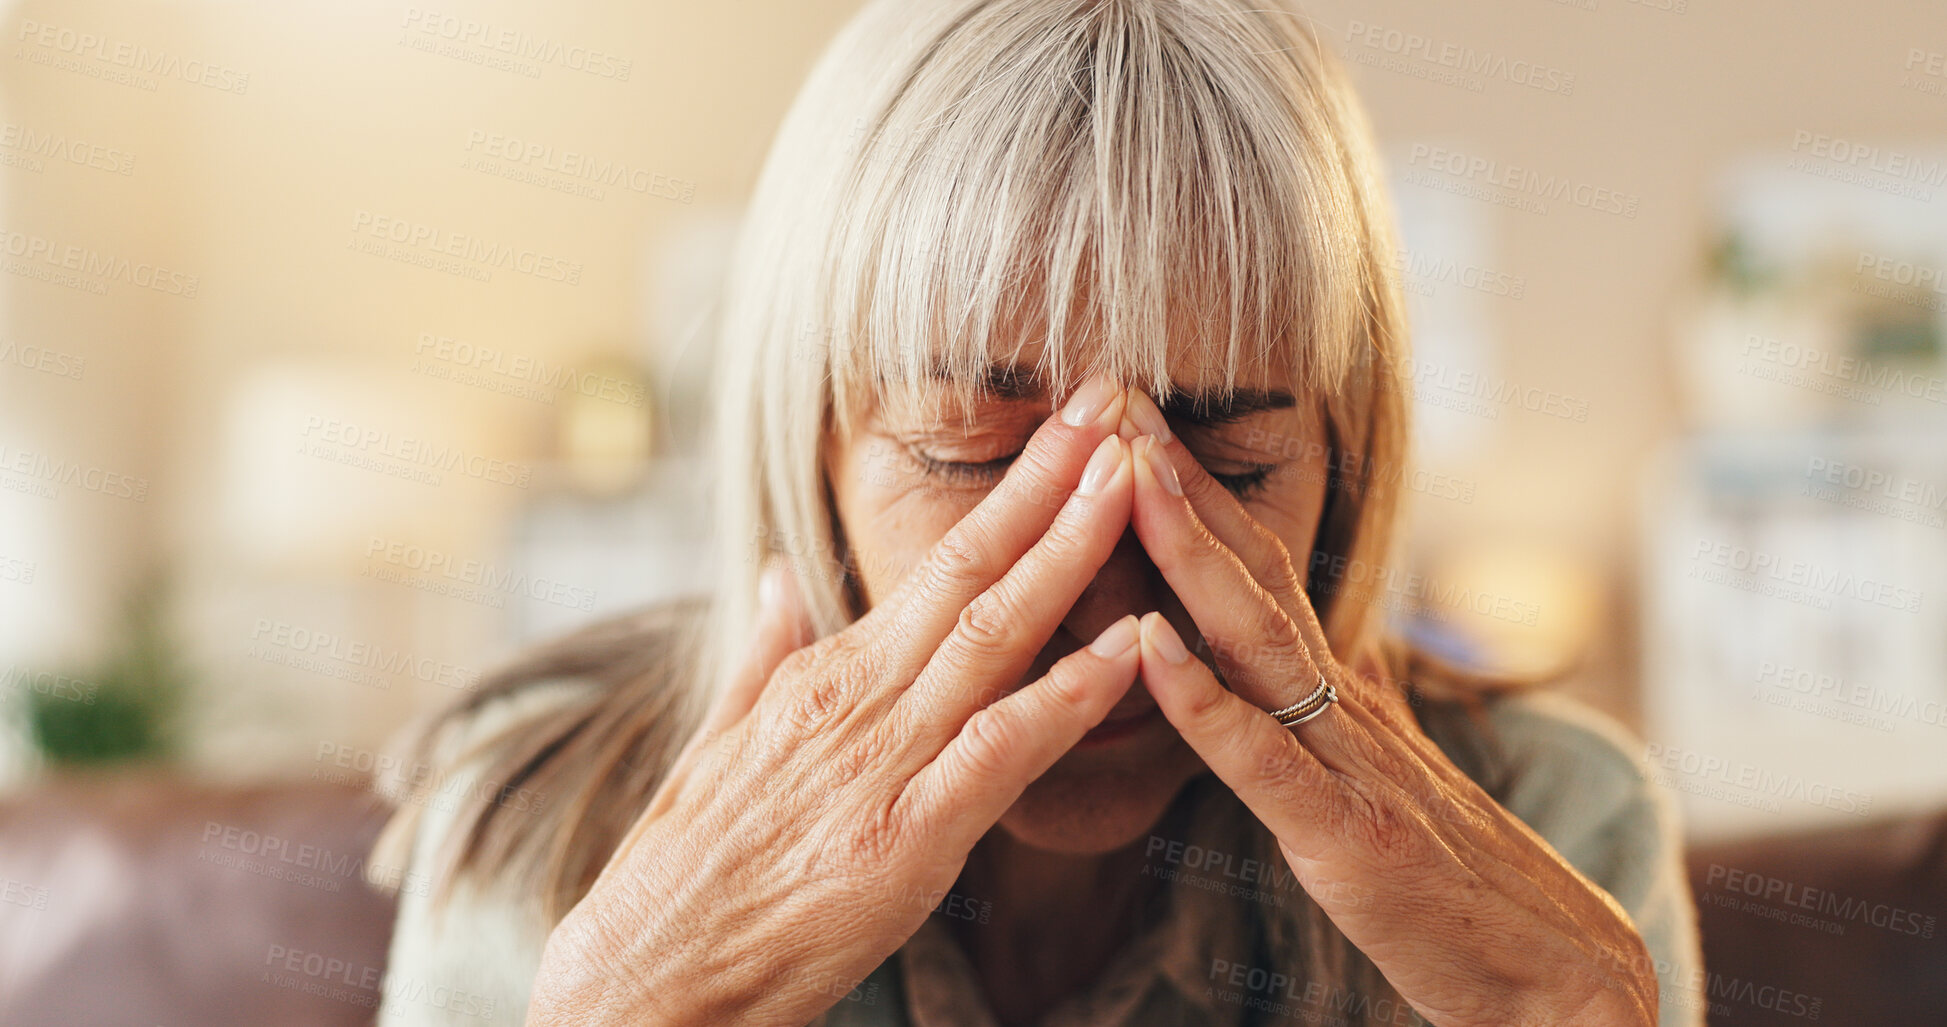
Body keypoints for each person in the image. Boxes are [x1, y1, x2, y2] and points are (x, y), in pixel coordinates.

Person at [369, 1, 1703, 1023]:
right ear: (808, 452)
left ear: (1348, 465)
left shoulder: (1561, 820)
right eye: (967, 453)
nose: (1099, 597)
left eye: (1231, 464)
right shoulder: (535, 829)